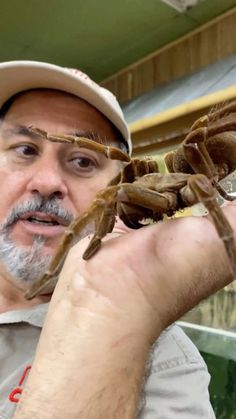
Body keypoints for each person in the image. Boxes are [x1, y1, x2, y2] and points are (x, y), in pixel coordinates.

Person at [0, 60, 234, 419]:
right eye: (25, 150)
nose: (46, 182)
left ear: (118, 173)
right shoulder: (132, 190)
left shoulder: (165, 363)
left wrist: (106, 308)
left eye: (82, 161)